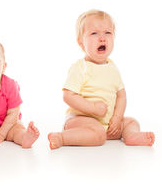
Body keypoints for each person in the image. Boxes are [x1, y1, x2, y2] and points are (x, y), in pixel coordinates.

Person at [48, 10, 155, 149]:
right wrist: (92, 108)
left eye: (108, 33)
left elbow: (121, 95)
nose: (102, 38)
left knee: (131, 122)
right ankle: (62, 137)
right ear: (81, 43)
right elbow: (68, 96)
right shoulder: (81, 67)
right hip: (81, 121)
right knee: (98, 134)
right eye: (94, 33)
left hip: (107, 124)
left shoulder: (113, 67)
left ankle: (131, 136)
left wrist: (116, 119)